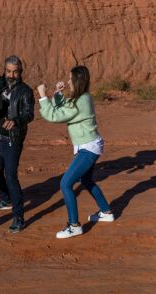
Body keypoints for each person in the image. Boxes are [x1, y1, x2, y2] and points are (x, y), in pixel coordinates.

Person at [37, 65, 114, 239]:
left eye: (71, 79)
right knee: (86, 180)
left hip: (88, 149)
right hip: (89, 146)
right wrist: (57, 93)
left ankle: (74, 225)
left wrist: (42, 96)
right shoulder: (82, 98)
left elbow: (54, 116)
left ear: (78, 80)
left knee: (65, 184)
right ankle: (106, 212)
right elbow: (63, 107)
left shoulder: (81, 102)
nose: (68, 81)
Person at [0, 53, 35, 233]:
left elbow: (29, 114)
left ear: (21, 72)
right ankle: (6, 199)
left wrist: (16, 120)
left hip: (13, 139)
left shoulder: (25, 91)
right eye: (8, 71)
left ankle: (19, 217)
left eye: (15, 72)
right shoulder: (1, 82)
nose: (11, 75)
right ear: (4, 71)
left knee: (10, 176)